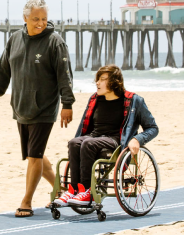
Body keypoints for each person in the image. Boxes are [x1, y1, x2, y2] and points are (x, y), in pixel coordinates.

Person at [0, 0, 75, 218]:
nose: (40, 23)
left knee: (34, 155)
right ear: (25, 18)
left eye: (44, 18)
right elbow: (3, 70)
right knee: (34, 154)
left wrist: (67, 104)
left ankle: (26, 202)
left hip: (45, 107)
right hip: (21, 107)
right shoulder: (14, 39)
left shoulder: (55, 42)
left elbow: (65, 75)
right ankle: (61, 189)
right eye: (35, 19)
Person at [54, 65, 158, 207]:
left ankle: (86, 192)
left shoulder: (133, 101)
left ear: (115, 82)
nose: (97, 83)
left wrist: (137, 139)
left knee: (88, 144)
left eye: (102, 79)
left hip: (115, 140)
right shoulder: (95, 99)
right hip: (94, 136)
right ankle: (74, 190)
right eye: (98, 79)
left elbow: (152, 128)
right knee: (74, 142)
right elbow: (85, 129)